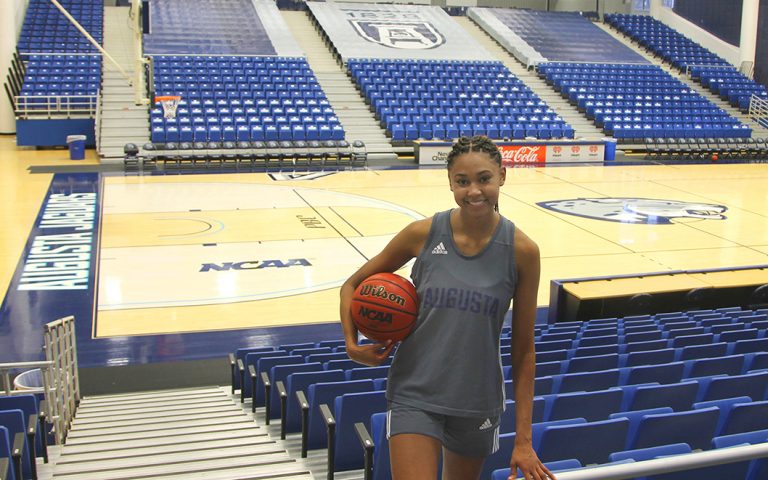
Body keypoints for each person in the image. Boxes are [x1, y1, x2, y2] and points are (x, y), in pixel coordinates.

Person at [340, 135, 555, 480]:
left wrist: (524, 441)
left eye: (483, 179)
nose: (474, 191)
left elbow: (524, 350)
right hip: (415, 392)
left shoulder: (522, 251)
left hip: (477, 401)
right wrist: (353, 345)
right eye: (462, 181)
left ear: (502, 175)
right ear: (450, 183)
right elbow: (351, 286)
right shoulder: (422, 233)